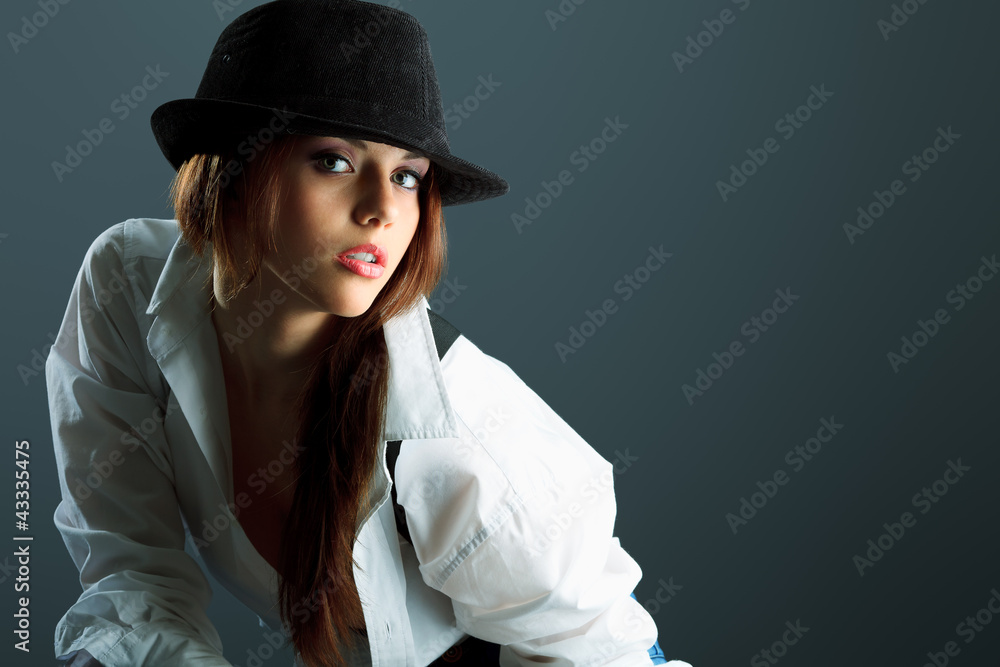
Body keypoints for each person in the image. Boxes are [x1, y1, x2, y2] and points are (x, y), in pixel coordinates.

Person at [44, 1, 693, 665]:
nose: (384, 208)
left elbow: (601, 647)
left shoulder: (458, 438)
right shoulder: (127, 286)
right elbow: (131, 578)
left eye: (408, 176)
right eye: (335, 161)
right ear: (233, 174)